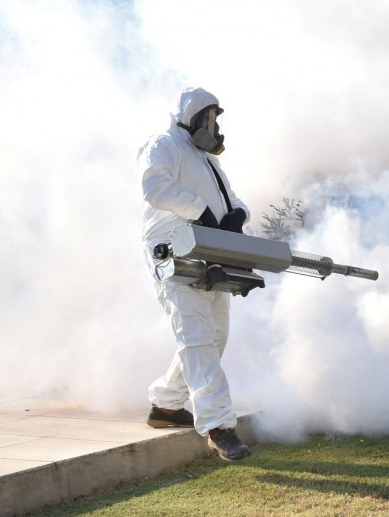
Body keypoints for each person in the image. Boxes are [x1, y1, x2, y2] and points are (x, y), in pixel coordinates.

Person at [136, 86, 251, 461]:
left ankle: (166, 405)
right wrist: (197, 209)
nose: (212, 126)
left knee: (214, 335)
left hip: (209, 250)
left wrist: (237, 215)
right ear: (190, 115)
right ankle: (219, 426)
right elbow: (154, 188)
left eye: (215, 120)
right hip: (172, 248)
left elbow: (231, 198)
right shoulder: (163, 144)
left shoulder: (209, 161)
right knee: (198, 336)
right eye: (208, 118)